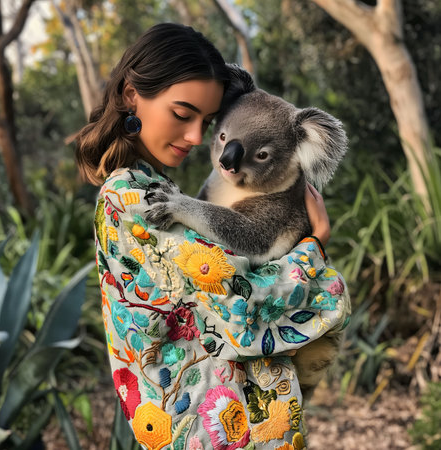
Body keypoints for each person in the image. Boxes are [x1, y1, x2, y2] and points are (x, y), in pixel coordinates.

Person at [76, 23, 350, 450]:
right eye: (183, 115)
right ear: (132, 95)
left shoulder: (156, 187)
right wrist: (314, 248)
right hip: (209, 426)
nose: (197, 138)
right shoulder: (136, 199)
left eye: (207, 122)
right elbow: (246, 304)